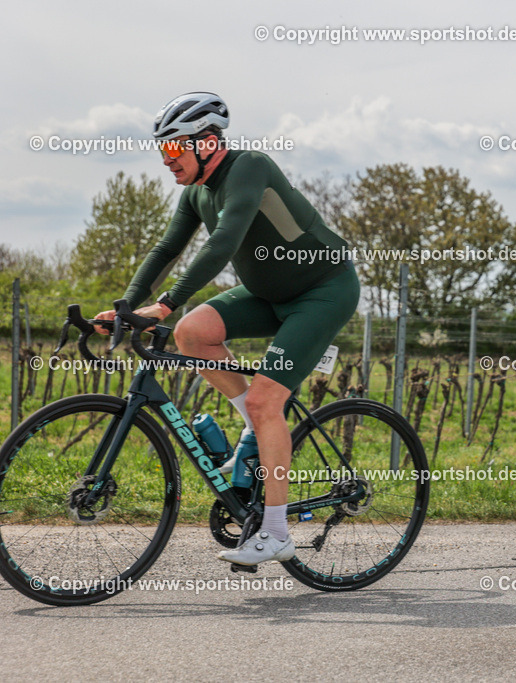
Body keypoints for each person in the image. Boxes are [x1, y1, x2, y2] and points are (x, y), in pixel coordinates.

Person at [94, 92, 360, 566]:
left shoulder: (250, 166)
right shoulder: (195, 192)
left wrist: (167, 303)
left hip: (322, 292)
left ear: (207, 143)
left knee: (265, 400)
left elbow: (224, 241)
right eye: (162, 151)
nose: (166, 161)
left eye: (173, 149)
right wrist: (125, 307)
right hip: (268, 294)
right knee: (191, 334)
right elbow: (165, 249)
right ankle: (254, 436)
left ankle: (276, 532)